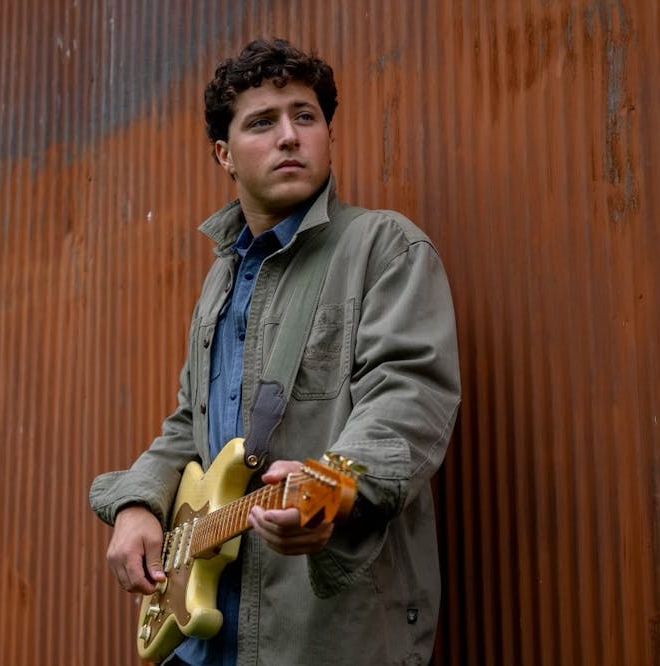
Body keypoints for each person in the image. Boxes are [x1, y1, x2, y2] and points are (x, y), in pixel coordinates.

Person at [89, 38, 461, 665]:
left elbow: (409, 398)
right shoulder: (221, 282)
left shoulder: (384, 248)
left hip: (325, 633)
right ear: (224, 154)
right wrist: (136, 501)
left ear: (328, 134)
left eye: (305, 116)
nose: (289, 135)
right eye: (263, 122)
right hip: (206, 638)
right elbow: (190, 423)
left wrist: (337, 490)